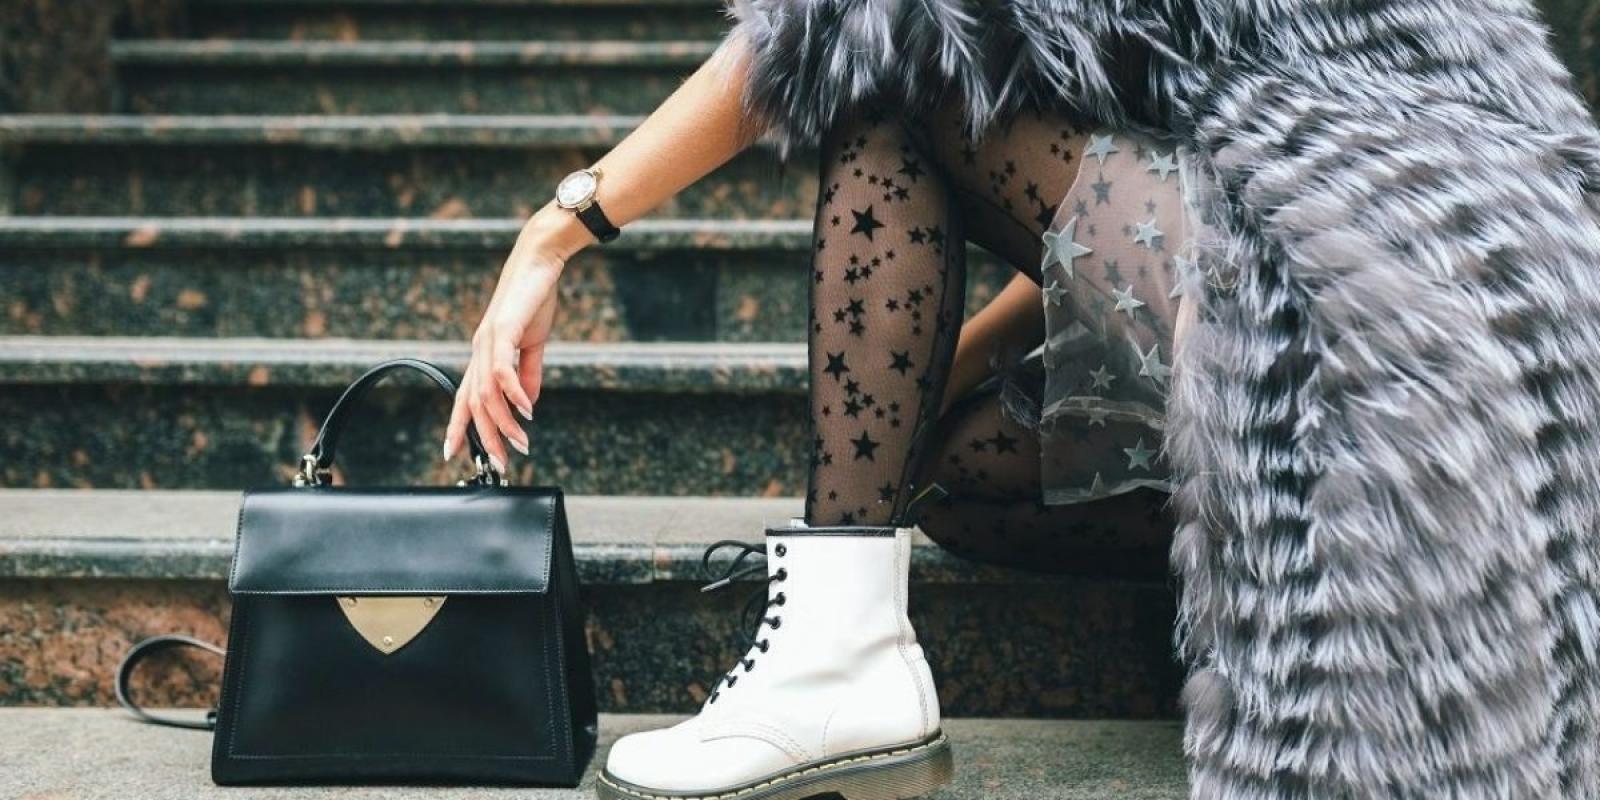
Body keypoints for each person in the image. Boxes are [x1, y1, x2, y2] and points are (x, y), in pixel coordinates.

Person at [447, 1, 1600, 798]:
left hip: (1352, 272)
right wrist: (910, 387)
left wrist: (554, 233)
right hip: (1499, 321)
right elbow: (1126, 185)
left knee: (894, 83)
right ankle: (1268, 559)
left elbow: (832, 30)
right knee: (958, 469)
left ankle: (837, 655)